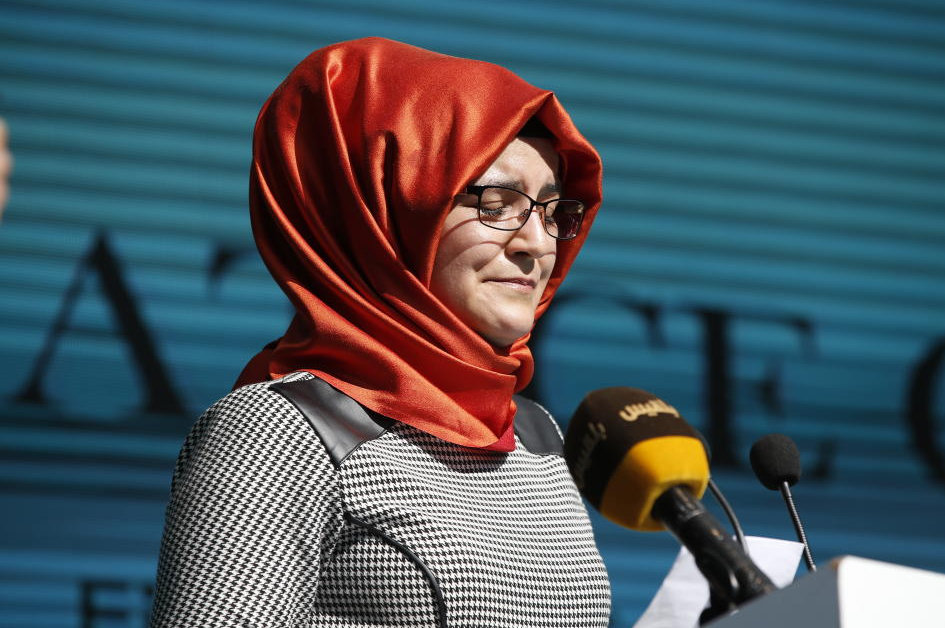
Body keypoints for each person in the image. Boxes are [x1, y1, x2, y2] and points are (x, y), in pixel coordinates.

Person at [150, 37, 610, 627]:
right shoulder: (280, 431)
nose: (536, 244)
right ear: (385, 207)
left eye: (553, 213)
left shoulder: (536, 436)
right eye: (496, 202)